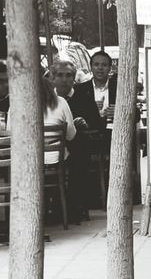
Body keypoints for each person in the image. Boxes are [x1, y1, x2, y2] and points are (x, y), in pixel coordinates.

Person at [50, 60, 103, 222]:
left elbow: (97, 123)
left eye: (69, 76)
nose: (64, 79)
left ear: (74, 78)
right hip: (50, 147)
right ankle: (54, 206)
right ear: (52, 77)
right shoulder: (47, 97)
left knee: (80, 156)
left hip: (77, 143)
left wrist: (85, 123)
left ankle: (75, 205)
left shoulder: (83, 97)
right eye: (60, 75)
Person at [8, 77, 76, 164]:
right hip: (55, 157)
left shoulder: (16, 104)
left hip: (28, 159)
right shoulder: (61, 102)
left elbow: (10, 136)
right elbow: (71, 136)